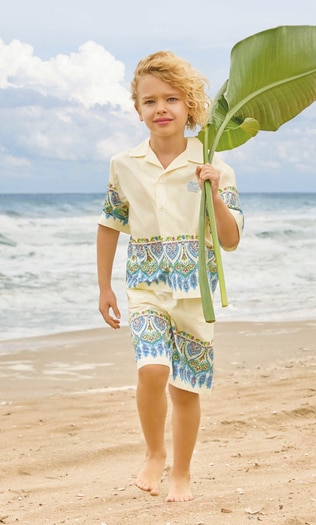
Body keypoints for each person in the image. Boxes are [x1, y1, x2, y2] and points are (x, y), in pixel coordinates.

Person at [96, 50, 243, 503]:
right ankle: (155, 452)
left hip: (197, 291)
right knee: (153, 368)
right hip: (144, 286)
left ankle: (182, 471)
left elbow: (231, 239)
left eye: (171, 99)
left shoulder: (214, 165)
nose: (160, 109)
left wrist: (213, 191)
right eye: (149, 101)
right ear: (138, 109)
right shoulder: (124, 164)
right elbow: (109, 223)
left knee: (185, 389)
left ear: (190, 106)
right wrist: (104, 286)